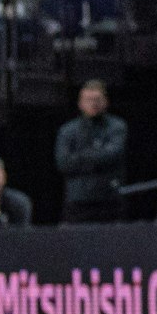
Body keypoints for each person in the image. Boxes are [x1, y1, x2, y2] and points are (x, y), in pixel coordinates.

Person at [55, 80, 128, 223]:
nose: (93, 104)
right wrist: (97, 155)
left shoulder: (117, 126)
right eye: (88, 100)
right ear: (80, 103)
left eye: (97, 100)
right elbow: (63, 163)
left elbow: (112, 155)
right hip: (77, 201)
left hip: (109, 200)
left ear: (106, 102)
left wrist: (80, 157)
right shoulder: (67, 130)